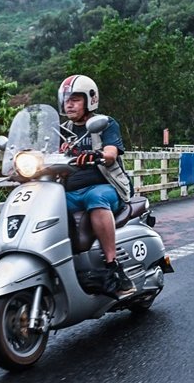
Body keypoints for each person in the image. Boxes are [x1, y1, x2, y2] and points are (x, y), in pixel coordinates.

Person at [58, 74, 136, 299]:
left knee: (96, 198)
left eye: (75, 99)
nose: (69, 104)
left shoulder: (105, 124)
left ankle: (113, 269)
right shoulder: (62, 130)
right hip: (71, 191)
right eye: (66, 99)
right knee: (45, 203)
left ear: (90, 100)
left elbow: (111, 154)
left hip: (105, 186)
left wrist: (97, 154)